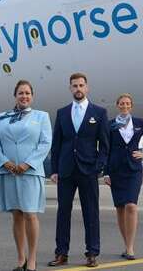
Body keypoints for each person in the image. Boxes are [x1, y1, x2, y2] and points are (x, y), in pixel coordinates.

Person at [0, 80, 51, 271]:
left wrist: (28, 163)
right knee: (16, 214)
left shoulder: (41, 116)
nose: (24, 96)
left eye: (27, 93)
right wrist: (4, 162)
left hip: (30, 172)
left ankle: (32, 259)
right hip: (9, 172)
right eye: (20, 93)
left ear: (32, 96)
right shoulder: (2, 118)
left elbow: (45, 143)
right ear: (15, 96)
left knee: (30, 214)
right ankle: (20, 258)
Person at [48, 72, 109, 268]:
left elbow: (104, 145)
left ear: (87, 88)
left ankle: (92, 253)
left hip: (88, 170)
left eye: (81, 85)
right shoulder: (62, 113)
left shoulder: (99, 112)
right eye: (74, 86)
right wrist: (54, 169)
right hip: (66, 170)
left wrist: (98, 167)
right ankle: (61, 253)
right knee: (63, 213)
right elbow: (56, 144)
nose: (78, 89)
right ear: (70, 88)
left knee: (91, 213)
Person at [103, 93, 143, 260]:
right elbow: (105, 149)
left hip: (133, 170)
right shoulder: (110, 125)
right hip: (115, 171)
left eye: (127, 103)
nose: (125, 106)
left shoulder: (138, 123)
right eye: (122, 103)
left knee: (131, 206)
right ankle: (126, 244)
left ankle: (130, 248)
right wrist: (105, 172)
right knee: (120, 209)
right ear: (117, 105)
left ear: (131, 106)